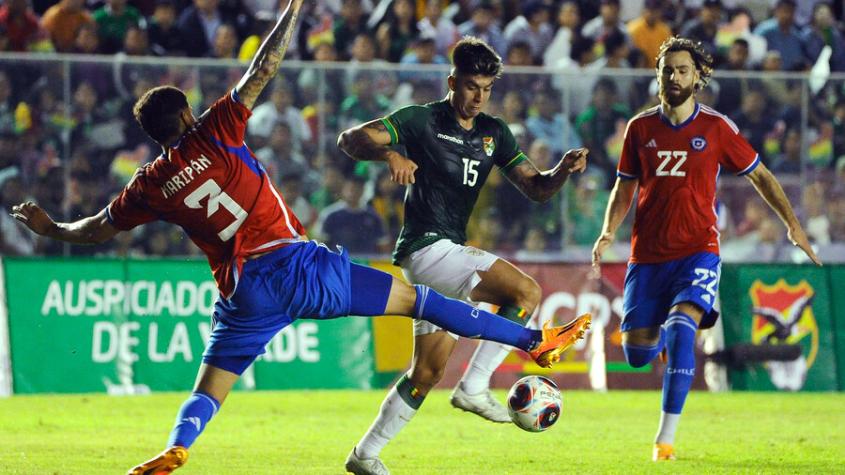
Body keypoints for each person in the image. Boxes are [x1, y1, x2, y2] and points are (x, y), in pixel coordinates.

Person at [10, 3, 588, 474]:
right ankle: (531, 340)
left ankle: (180, 445)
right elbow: (261, 69)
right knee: (421, 303)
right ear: (186, 116)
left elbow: (98, 229)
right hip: (301, 267)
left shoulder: (149, 184)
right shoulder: (214, 131)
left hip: (244, 294)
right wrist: (293, 8)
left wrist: (53, 227)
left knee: (210, 388)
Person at [337, 36, 592, 475]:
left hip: (444, 254)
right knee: (526, 292)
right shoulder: (420, 120)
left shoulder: (495, 133)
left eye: (487, 88)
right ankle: (474, 385)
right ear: (452, 81)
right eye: (472, 86)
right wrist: (391, 152)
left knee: (426, 373)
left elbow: (535, 188)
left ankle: (364, 455)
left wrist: (562, 173)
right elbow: (350, 139)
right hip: (427, 247)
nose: (479, 96)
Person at [591, 36, 821, 463]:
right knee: (637, 355)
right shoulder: (639, 129)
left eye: (682, 70)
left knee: (682, 327)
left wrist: (792, 224)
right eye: (667, 70)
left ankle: (665, 440)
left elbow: (762, 176)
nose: (673, 77)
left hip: (699, 251)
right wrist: (608, 231)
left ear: (697, 77)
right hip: (648, 256)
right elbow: (625, 186)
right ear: (657, 76)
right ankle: (658, 339)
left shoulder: (716, 128)